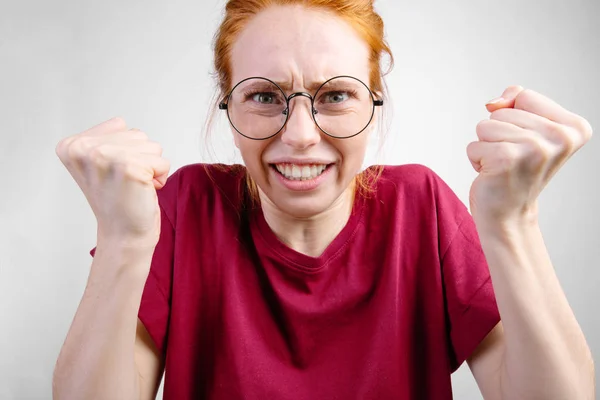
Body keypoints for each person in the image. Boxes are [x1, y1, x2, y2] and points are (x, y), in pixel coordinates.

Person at [52, 1, 595, 399]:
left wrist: (513, 223)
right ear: (228, 106)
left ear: (373, 103)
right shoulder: (184, 207)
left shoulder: (420, 208)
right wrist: (121, 240)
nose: (301, 135)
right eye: (265, 96)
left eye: (335, 95)